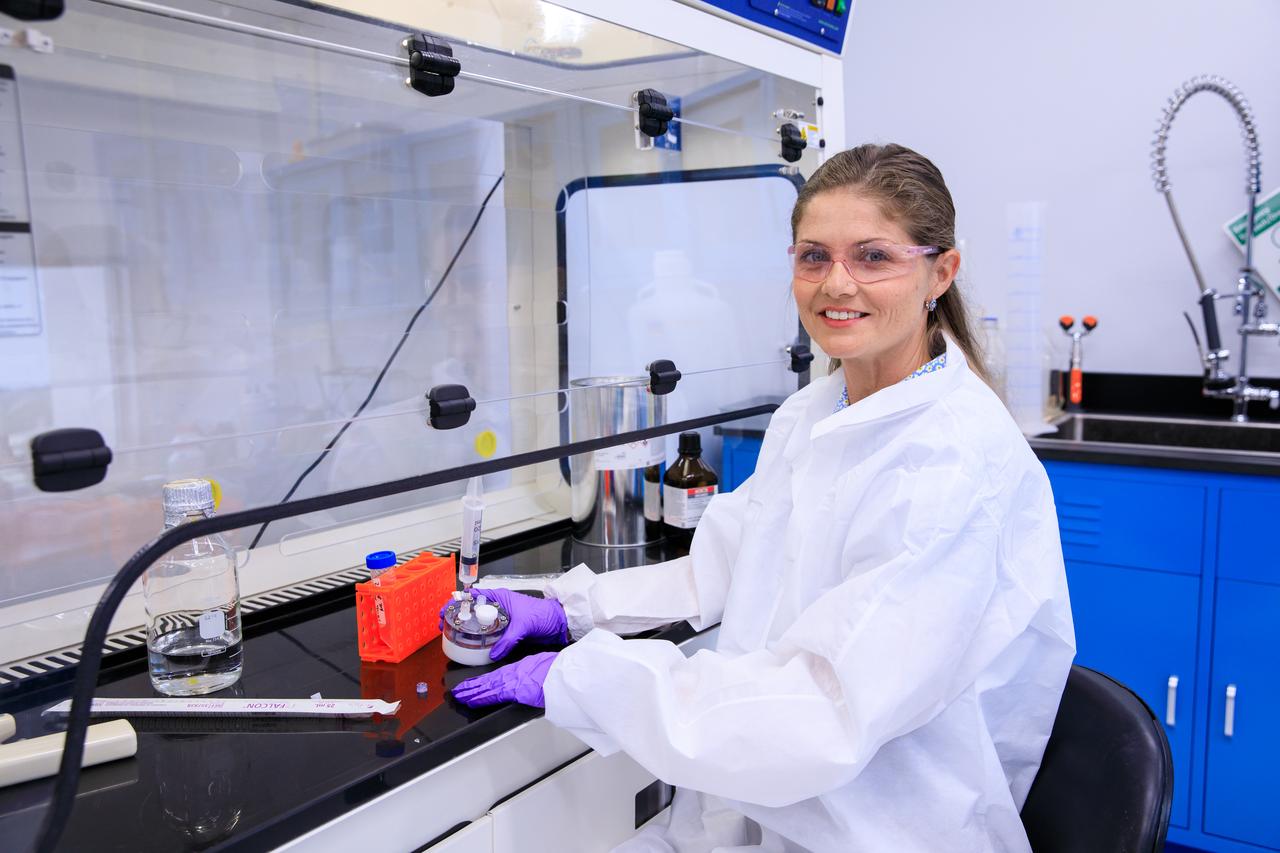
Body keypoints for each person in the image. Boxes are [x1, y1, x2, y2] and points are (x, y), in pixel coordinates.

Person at [450, 143, 1076, 852]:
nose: (837, 283)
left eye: (873, 256)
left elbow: (823, 711)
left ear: (941, 270)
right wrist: (570, 610)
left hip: (885, 826)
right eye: (814, 257)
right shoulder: (814, 412)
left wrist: (588, 678)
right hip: (768, 813)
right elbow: (726, 561)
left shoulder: (951, 458)